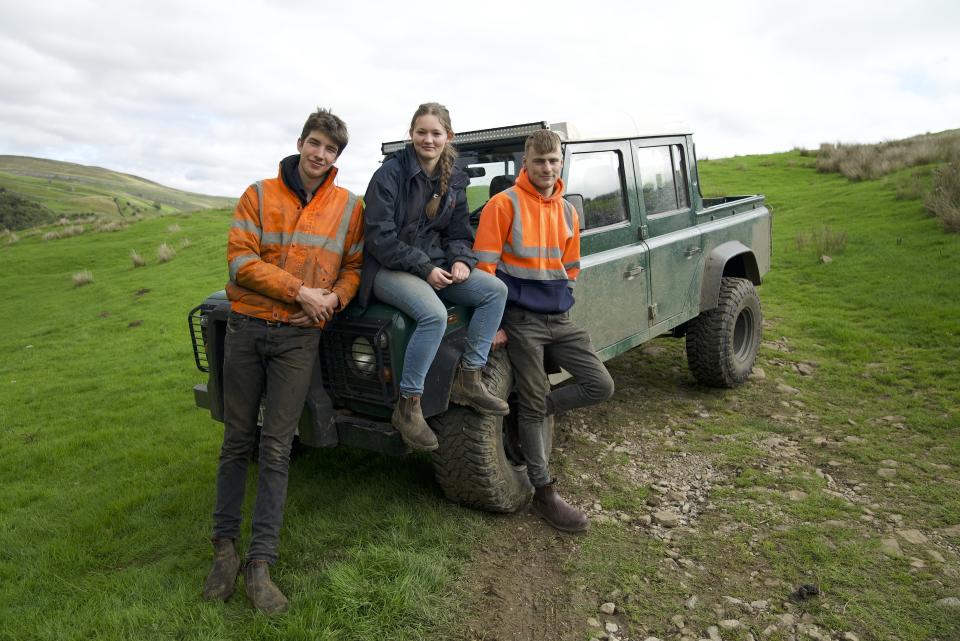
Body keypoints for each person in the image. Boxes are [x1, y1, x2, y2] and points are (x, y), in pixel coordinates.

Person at [202, 108, 364, 614]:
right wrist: (302, 293)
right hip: (248, 330)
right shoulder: (258, 193)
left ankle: (260, 564)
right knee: (236, 439)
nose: (320, 155)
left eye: (331, 150)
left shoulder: (348, 207)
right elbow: (240, 262)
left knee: (277, 447)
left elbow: (354, 267)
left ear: (337, 157)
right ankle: (224, 549)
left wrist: (334, 299)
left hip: (298, 341)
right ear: (300, 142)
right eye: (314, 143)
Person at [474, 129, 615, 533]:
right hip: (521, 320)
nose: (547, 168)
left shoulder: (568, 211)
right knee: (535, 396)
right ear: (526, 163)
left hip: (560, 319)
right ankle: (544, 492)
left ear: (561, 162)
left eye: (554, 161)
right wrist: (497, 322)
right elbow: (485, 270)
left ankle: (530, 413)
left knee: (599, 385)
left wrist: (565, 293)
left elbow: (571, 265)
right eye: (540, 162)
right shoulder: (502, 205)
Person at [359, 102, 509, 451]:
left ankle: (469, 378)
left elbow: (457, 232)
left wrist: (460, 260)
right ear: (411, 135)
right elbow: (379, 237)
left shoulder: (454, 178)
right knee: (433, 314)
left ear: (448, 137)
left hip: (437, 264)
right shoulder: (390, 175)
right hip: (387, 267)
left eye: (436, 133)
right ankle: (408, 406)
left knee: (494, 291)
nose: (428, 139)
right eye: (422, 132)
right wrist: (424, 269)